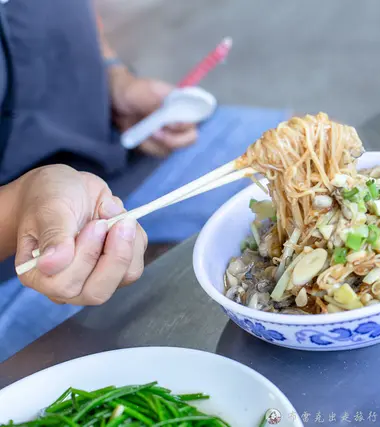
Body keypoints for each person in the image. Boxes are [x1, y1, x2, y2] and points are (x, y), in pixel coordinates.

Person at [0, 1, 290, 361]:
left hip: (119, 148)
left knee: (292, 155)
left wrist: (114, 76)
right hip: (24, 253)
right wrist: (22, 204)